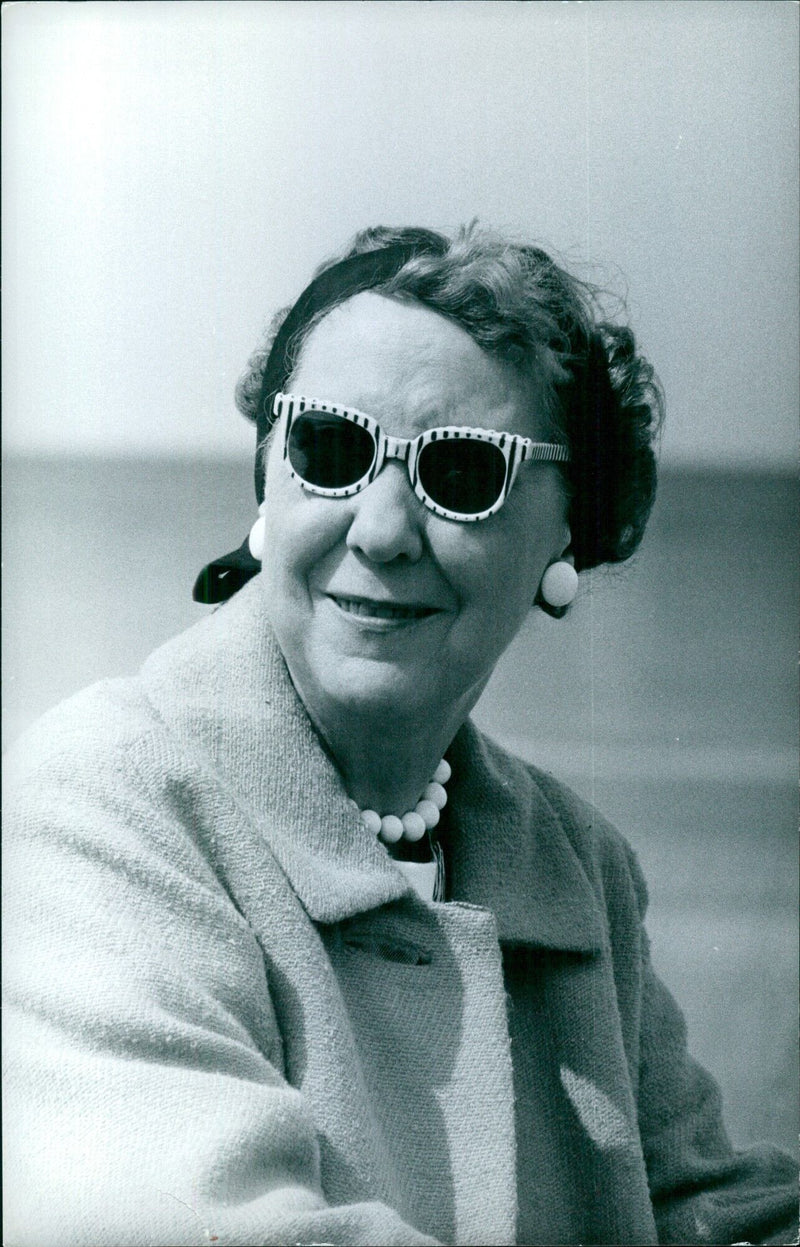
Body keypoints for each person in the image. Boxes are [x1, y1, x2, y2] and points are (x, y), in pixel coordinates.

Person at [4, 224, 796, 1247]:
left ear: (570, 526)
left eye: (461, 472)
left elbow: (711, 1208)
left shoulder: (574, 865)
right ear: (266, 481)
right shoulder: (98, 808)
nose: (378, 528)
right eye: (327, 448)